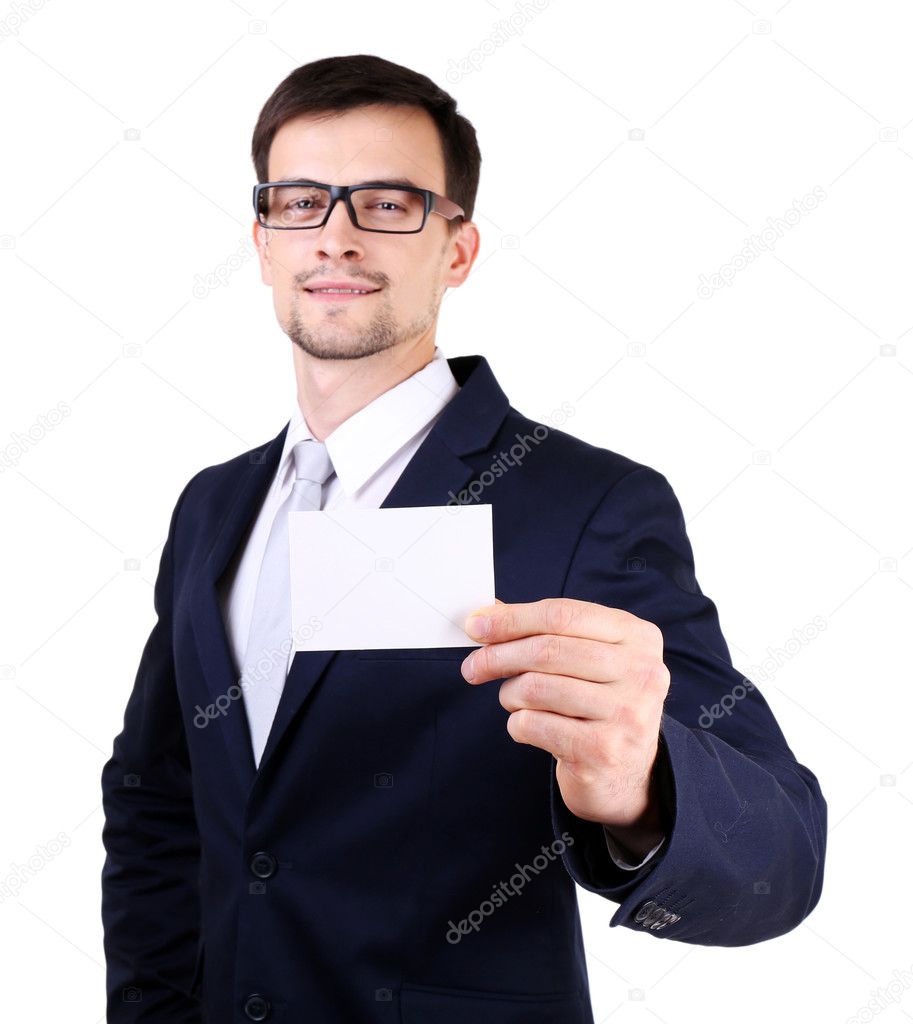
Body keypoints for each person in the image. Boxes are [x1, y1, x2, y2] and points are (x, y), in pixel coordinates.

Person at [100, 53, 827, 1024]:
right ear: (264, 239)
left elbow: (780, 856)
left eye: (389, 204)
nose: (338, 237)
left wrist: (643, 785)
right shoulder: (213, 507)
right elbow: (160, 801)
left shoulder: (586, 505)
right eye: (303, 201)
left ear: (458, 248)